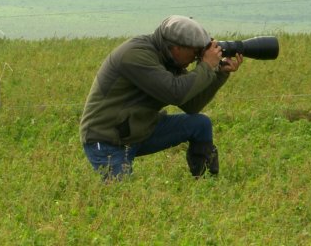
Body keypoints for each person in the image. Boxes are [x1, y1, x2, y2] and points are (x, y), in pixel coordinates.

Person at [80, 15, 243, 181]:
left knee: (200, 124)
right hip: (108, 139)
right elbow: (175, 93)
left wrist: (218, 73)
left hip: (140, 130)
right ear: (176, 48)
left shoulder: (170, 59)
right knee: (122, 194)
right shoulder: (136, 55)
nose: (197, 58)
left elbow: (191, 105)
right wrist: (206, 66)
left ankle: (206, 182)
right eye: (195, 52)